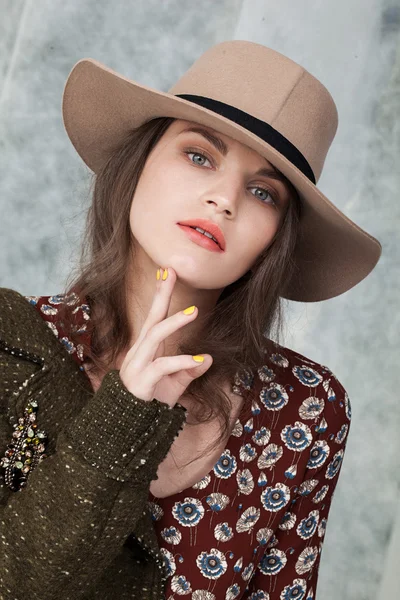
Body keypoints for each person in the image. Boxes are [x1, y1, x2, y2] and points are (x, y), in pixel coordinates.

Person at [0, 40, 381, 600]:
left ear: (276, 240)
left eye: (262, 192)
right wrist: (123, 415)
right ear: (138, 165)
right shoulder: (14, 346)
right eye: (200, 155)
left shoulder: (307, 409)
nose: (224, 199)